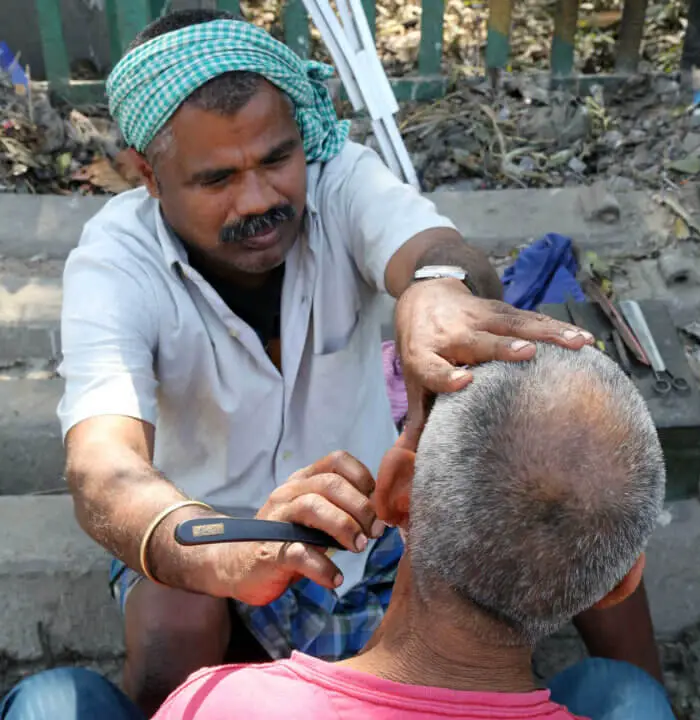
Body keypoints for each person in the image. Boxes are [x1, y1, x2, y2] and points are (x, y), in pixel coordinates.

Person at [55, 6, 661, 715]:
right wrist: (210, 552)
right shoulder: (112, 262)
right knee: (175, 607)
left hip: (375, 532)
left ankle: (654, 694)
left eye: (276, 159)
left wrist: (439, 292)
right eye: (217, 179)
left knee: (573, 496)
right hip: (222, 543)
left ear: (299, 143)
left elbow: (441, 253)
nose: (259, 199)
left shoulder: (339, 179)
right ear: (147, 177)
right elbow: (102, 470)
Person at [3, 344, 674, 719]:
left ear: (397, 493)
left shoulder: (220, 701)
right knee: (633, 697)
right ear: (621, 583)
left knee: (53, 704)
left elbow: (104, 475)